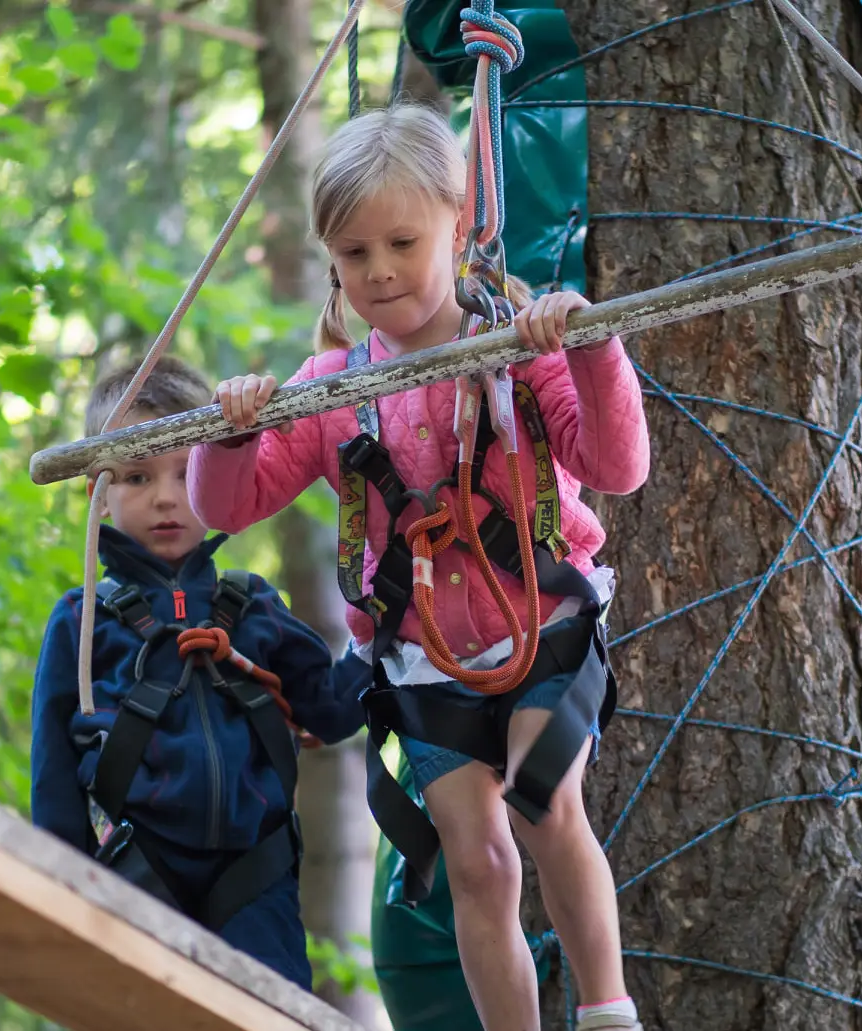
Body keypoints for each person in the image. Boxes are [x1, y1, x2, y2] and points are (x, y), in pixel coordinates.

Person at [188, 104, 652, 1031]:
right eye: (355, 254)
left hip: (544, 630)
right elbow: (225, 507)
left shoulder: (523, 349)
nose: (382, 271)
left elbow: (617, 467)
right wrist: (233, 427)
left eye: (402, 241)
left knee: (543, 799)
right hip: (426, 662)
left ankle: (606, 1011)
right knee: (475, 859)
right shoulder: (329, 391)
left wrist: (592, 349)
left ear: (459, 224)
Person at [30, 356, 367, 990]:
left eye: (188, 472)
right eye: (137, 476)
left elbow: (330, 709)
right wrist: (61, 887)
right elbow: (54, 773)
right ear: (97, 494)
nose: (165, 496)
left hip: (255, 875)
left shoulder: (255, 606)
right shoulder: (83, 619)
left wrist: (385, 632)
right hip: (133, 865)